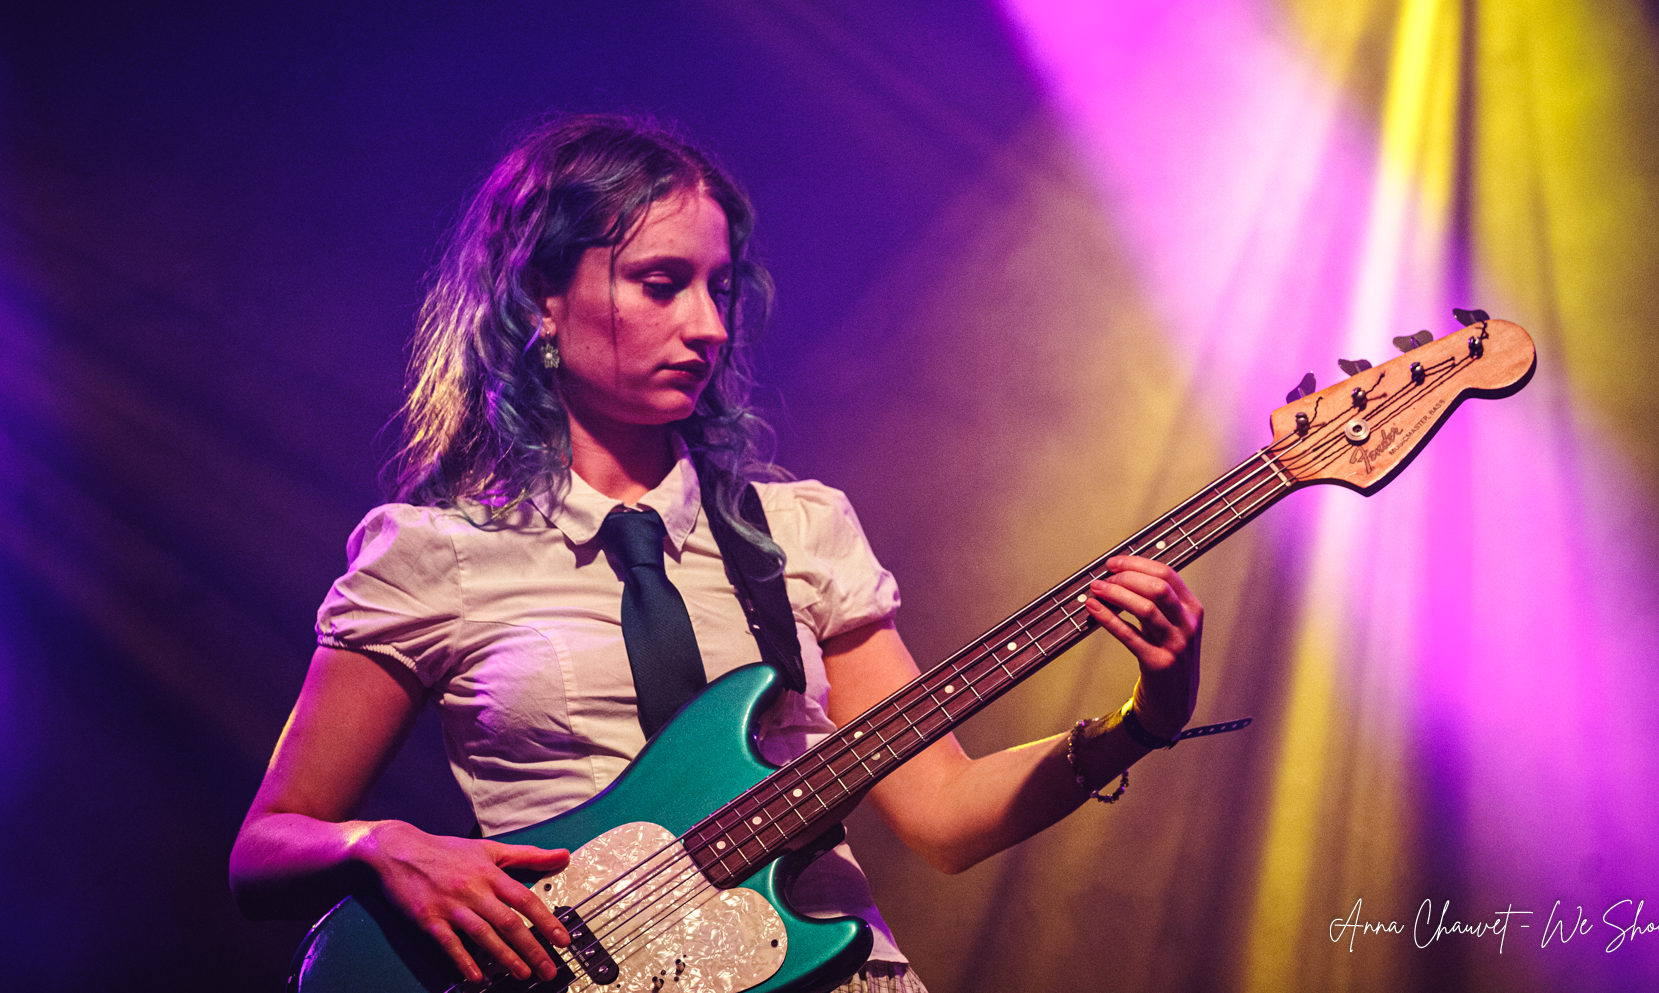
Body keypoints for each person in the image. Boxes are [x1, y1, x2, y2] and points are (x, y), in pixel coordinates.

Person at [229, 114, 1203, 992]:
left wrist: (1138, 722)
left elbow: (942, 816)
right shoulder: (433, 554)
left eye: (721, 287)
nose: (709, 325)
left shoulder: (799, 530)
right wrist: (384, 846)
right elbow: (267, 847)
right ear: (538, 300)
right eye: (663, 284)